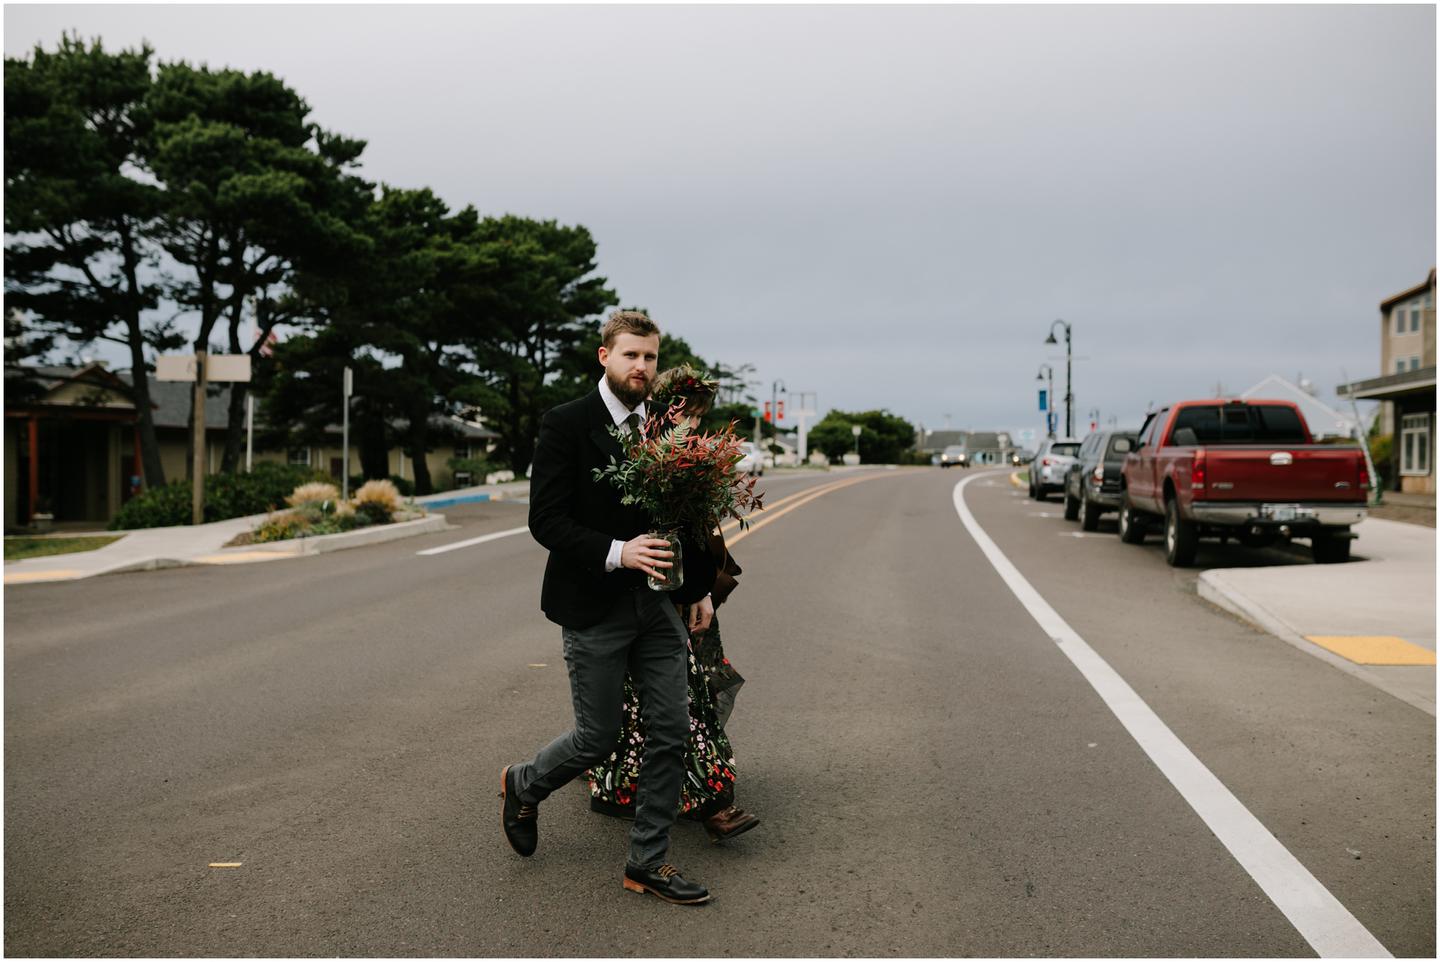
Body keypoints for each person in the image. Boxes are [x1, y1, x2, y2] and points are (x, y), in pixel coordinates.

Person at [499, 310, 718, 906]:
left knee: (670, 733)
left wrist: (696, 587)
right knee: (598, 738)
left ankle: (647, 862)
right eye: (631, 356)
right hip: (593, 604)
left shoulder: (664, 428)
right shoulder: (565, 423)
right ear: (605, 356)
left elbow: (687, 515)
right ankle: (523, 783)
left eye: (650, 357)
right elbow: (545, 520)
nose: (642, 367)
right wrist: (620, 552)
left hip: (658, 609)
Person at [587, 366, 760, 843]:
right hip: (643, 595)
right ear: (664, 408)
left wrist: (700, 590)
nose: (692, 423)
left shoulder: (682, 458)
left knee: (679, 698)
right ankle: (704, 804)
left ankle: (649, 791)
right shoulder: (642, 456)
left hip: (683, 591)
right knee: (670, 701)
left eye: (700, 415)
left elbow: (698, 534)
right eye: (685, 411)